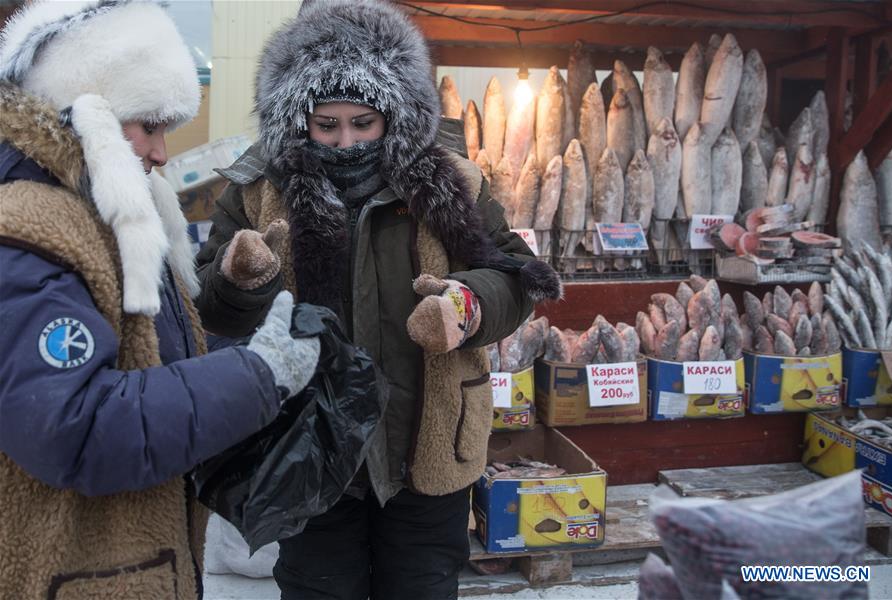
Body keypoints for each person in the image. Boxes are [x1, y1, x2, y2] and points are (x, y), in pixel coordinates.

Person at [193, 1, 562, 598]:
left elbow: (513, 276)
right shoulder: (259, 192)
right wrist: (239, 278)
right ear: (298, 118)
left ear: (393, 113)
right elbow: (210, 307)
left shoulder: (453, 183)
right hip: (307, 448)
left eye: (363, 123)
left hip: (427, 448)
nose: (346, 141)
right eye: (327, 124)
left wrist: (464, 308)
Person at [0, 2, 320, 598]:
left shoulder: (111, 219)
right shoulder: (29, 232)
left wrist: (250, 329)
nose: (162, 154)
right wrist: (256, 376)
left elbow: (157, 364)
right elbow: (75, 425)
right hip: (76, 575)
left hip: (130, 566)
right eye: (148, 125)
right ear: (84, 111)